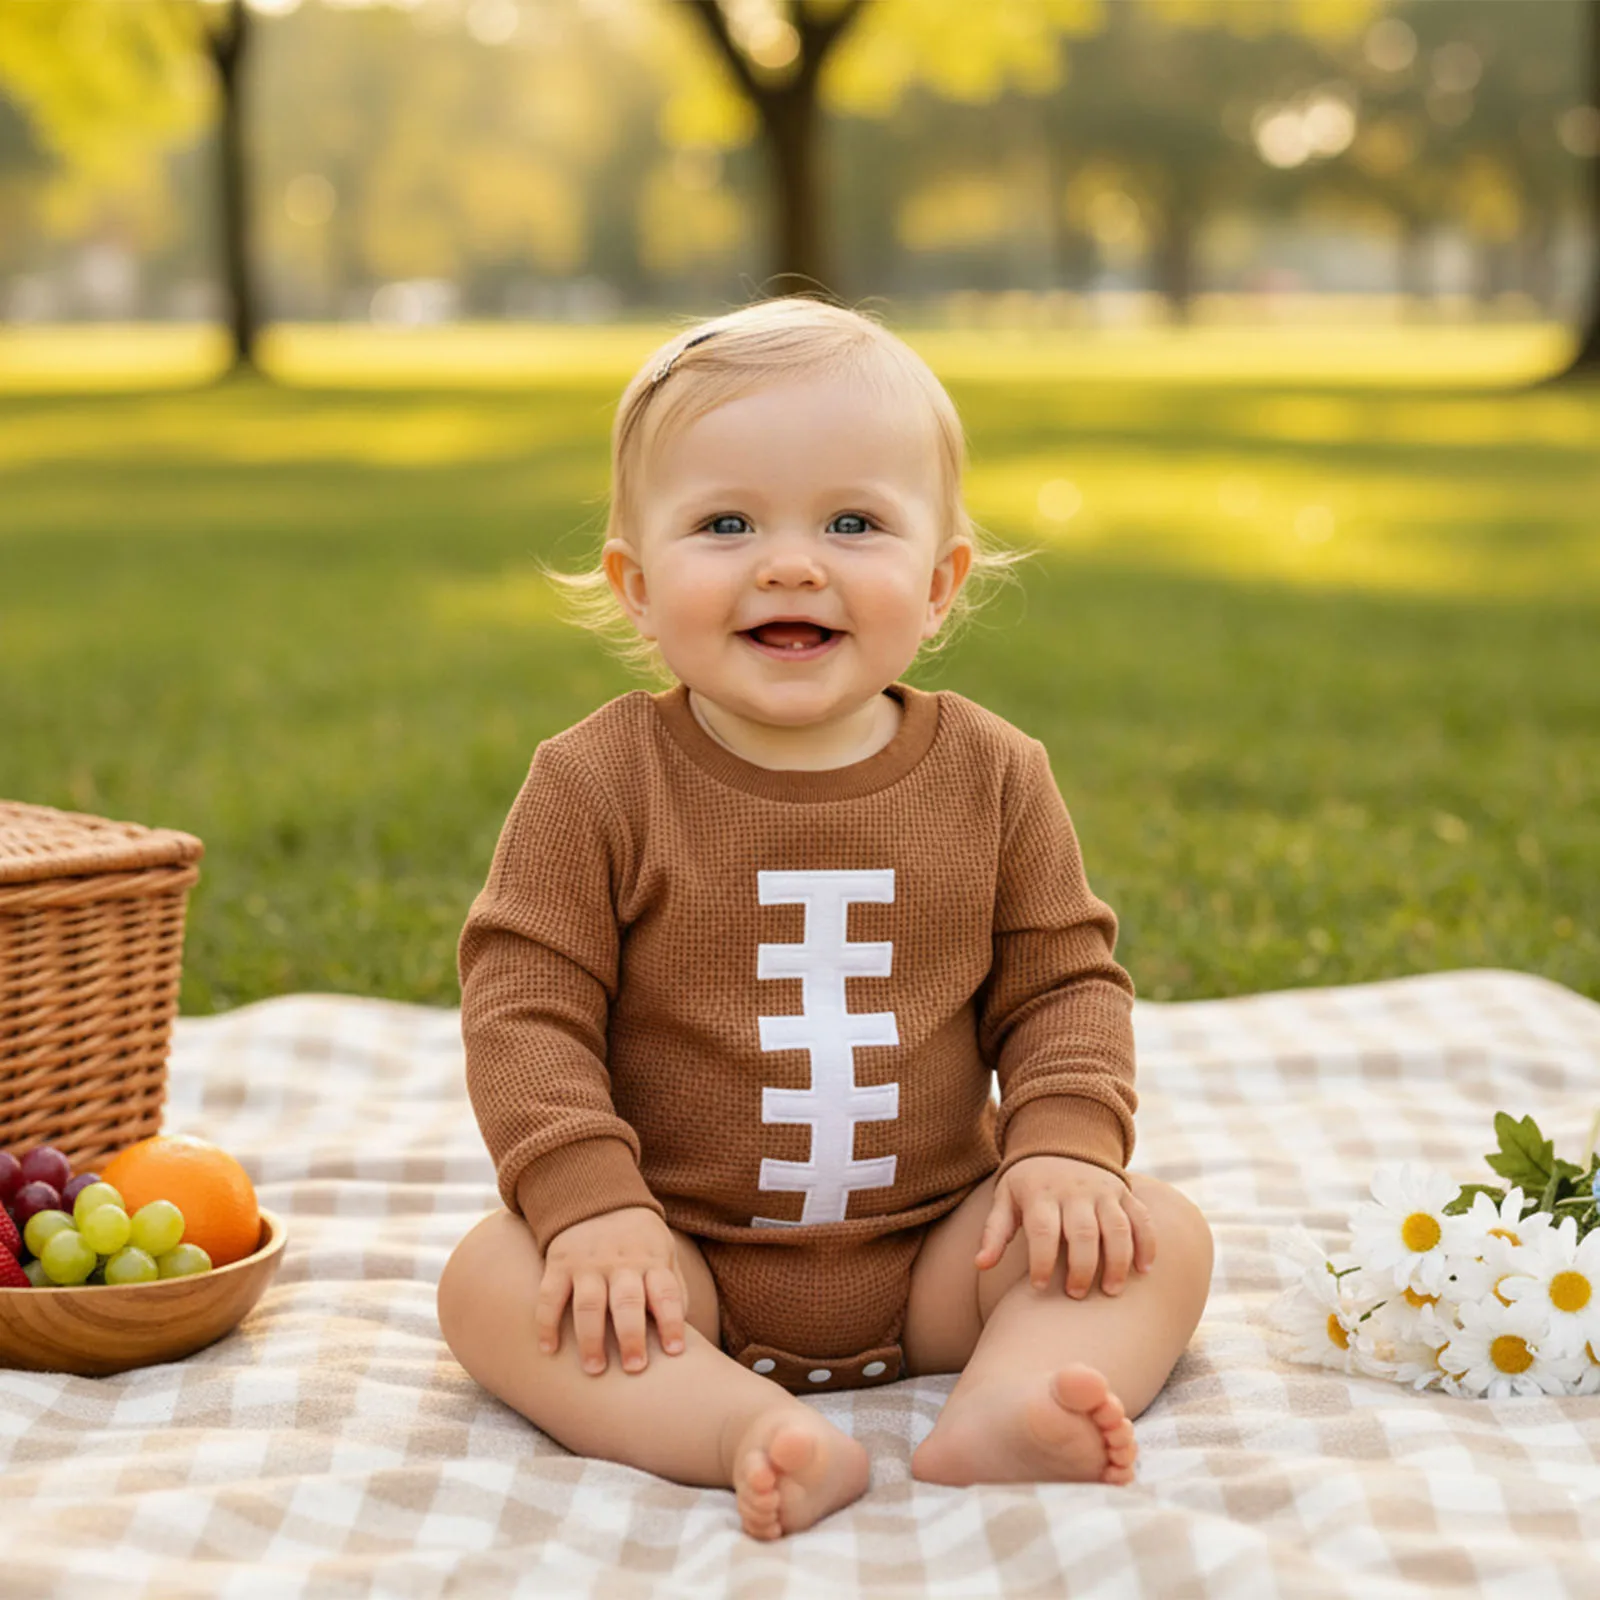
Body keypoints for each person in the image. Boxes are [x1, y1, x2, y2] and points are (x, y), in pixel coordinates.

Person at [436, 296, 1214, 1541]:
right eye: (725, 523)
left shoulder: (994, 774)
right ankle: (740, 1426)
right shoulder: (595, 783)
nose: (789, 563)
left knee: (1157, 1234)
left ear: (940, 580)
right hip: (674, 1253)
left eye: (853, 522)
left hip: (939, 1256)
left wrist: (1065, 1146)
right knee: (491, 1280)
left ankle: (1011, 1403)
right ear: (635, 586)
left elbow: (1065, 982)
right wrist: (591, 1205)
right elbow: (522, 1004)